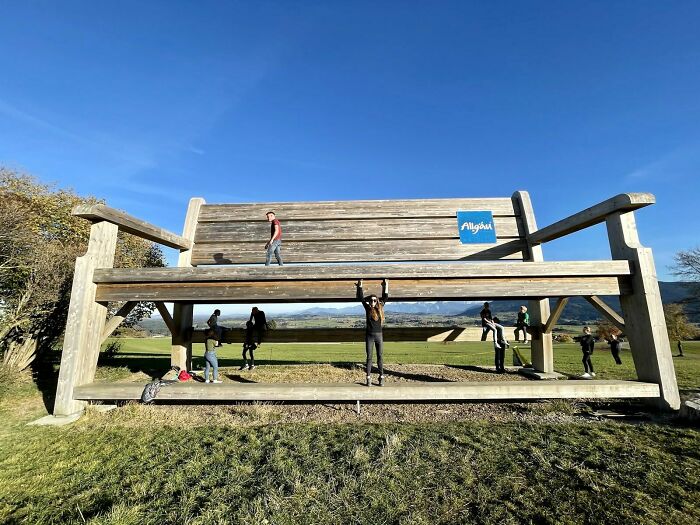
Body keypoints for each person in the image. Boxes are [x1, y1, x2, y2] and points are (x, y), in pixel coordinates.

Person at [356, 279, 389, 387]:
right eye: (371, 300)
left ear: (377, 301)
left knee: (380, 356)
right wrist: (360, 286)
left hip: (379, 336)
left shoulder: (380, 308)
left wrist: (385, 285)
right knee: (369, 357)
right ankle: (368, 378)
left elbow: (386, 297)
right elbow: (361, 298)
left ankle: (381, 377)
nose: (373, 302)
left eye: (375, 300)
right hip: (369, 336)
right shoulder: (367, 309)